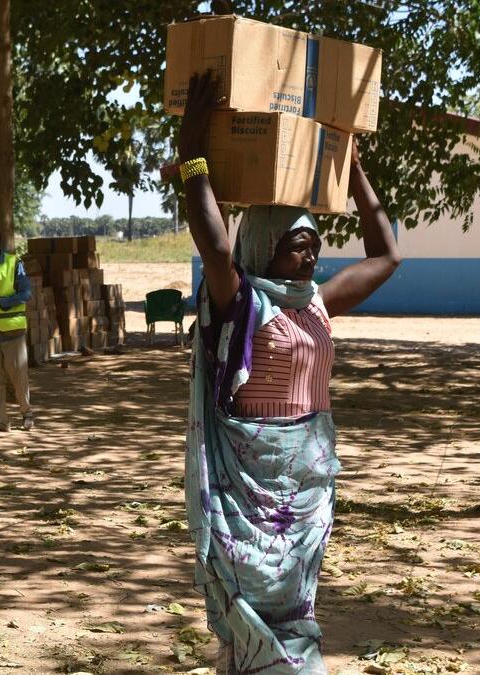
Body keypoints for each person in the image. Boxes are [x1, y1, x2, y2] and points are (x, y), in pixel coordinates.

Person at [178, 71, 401, 674]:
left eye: (315, 242)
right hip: (251, 488)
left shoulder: (317, 303)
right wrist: (191, 151)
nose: (311, 253)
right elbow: (215, 247)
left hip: (306, 486)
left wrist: (350, 171)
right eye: (296, 244)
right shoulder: (243, 300)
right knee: (251, 598)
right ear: (264, 246)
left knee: (297, 602)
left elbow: (387, 255)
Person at [0, 240, 35, 432]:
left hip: (12, 328)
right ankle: (0, 421)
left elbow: (26, 293)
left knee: (18, 375)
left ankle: (27, 414)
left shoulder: (14, 262)